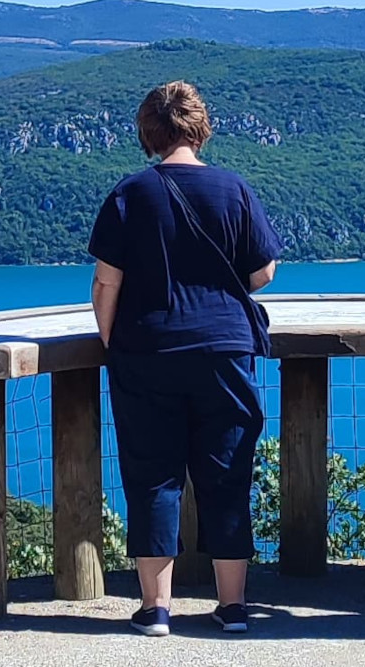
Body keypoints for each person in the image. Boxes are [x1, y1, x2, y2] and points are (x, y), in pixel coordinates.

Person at [88, 79, 283, 636]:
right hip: (225, 351)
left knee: (153, 477)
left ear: (148, 131)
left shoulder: (132, 193)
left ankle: (155, 609)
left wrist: (112, 340)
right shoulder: (234, 189)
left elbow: (107, 283)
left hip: (147, 350)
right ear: (201, 128)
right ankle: (233, 606)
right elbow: (262, 271)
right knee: (227, 475)